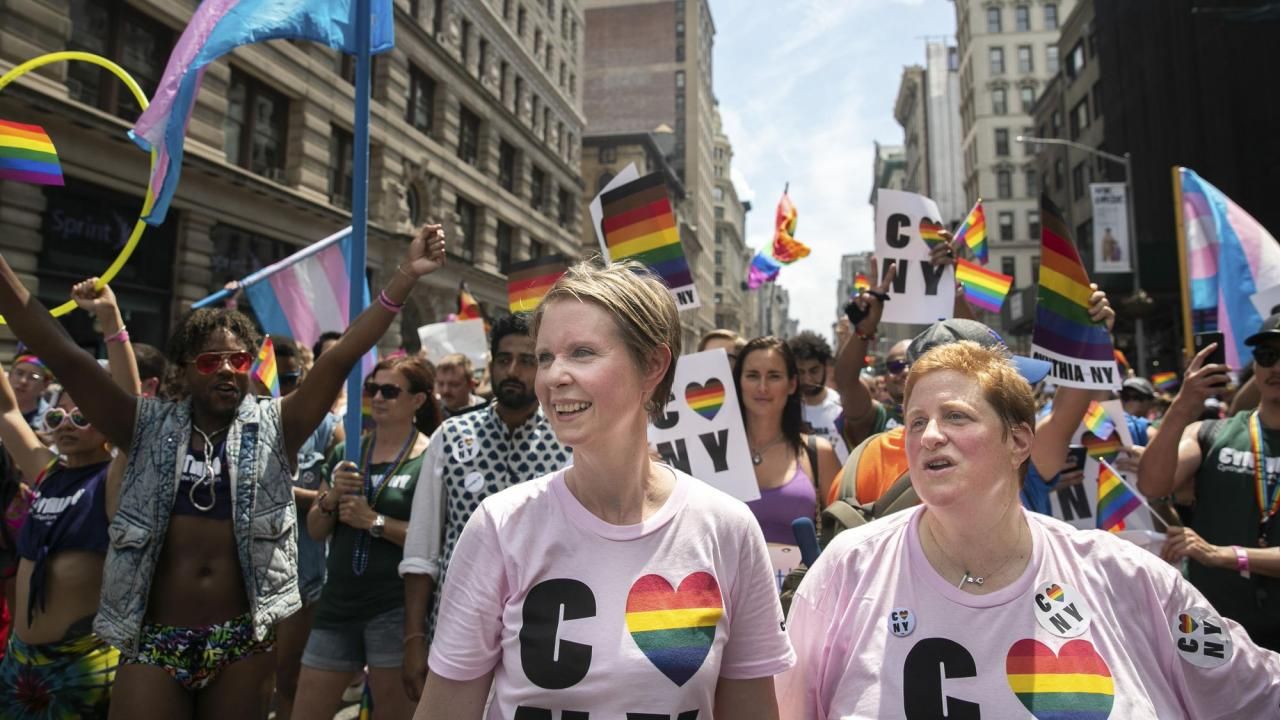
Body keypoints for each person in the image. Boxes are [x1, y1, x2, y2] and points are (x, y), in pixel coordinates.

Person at [0, 224, 447, 718]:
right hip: (152, 640)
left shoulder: (277, 426)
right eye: (212, 361)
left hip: (242, 643)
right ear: (185, 370)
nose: (229, 370)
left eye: (239, 359)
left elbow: (341, 356)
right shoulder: (142, 425)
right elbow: (58, 348)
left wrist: (405, 274)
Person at [778, 340, 1280, 719]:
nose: (930, 436)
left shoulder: (1127, 577)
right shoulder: (848, 570)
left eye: (955, 416)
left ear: (1019, 441)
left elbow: (1257, 693)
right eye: (915, 421)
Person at [415, 261, 794, 720]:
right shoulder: (500, 525)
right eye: (545, 357)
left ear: (653, 364)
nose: (554, 376)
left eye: (582, 353)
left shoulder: (727, 529)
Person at [399, 313, 571, 702]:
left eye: (528, 360)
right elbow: (422, 549)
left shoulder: (571, 441)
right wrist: (413, 638)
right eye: (504, 359)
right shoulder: (451, 436)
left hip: (545, 635)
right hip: (456, 627)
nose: (513, 370)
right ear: (490, 364)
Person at [0, 278, 138, 718]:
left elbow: (131, 409)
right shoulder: (46, 471)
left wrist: (111, 320)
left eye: (81, 416)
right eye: (58, 414)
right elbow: (5, 410)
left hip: (81, 665)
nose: (64, 424)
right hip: (19, 662)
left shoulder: (113, 480)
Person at [292, 356, 439, 719]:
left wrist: (375, 522)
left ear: (418, 401)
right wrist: (331, 498)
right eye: (372, 389)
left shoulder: (431, 456)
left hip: (393, 608)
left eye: (390, 391)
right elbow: (315, 528)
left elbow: (434, 542)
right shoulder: (349, 452)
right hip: (337, 605)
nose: (379, 398)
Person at [1140, 315, 1280, 651]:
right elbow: (1153, 485)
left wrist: (1224, 556)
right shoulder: (1213, 433)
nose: (1276, 365)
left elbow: (1217, 555)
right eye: (1266, 355)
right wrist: (1185, 403)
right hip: (1214, 638)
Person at [271, 336, 343, 720]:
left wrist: (283, 491)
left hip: (303, 575)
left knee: (289, 680)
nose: (283, 387)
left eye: (291, 377)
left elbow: (336, 496)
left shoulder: (330, 428)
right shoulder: (243, 424)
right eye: (275, 379)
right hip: (246, 574)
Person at [736, 337, 839, 547]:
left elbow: (844, 534)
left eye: (774, 376)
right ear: (738, 382)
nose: (762, 387)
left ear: (792, 384)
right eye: (752, 376)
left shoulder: (818, 453)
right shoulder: (706, 451)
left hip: (801, 580)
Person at [788, 331, 849, 462]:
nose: (807, 379)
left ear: (825, 367)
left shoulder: (842, 406)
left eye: (814, 371)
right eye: (801, 372)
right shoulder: (785, 408)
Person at [8, 353, 52, 431]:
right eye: (19, 373)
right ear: (9, 376)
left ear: (45, 385)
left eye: (33, 377)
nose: (23, 381)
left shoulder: (51, 420)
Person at [434, 353, 487, 418]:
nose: (445, 390)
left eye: (454, 384)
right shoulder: (433, 413)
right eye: (440, 384)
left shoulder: (484, 411)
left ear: (470, 384)